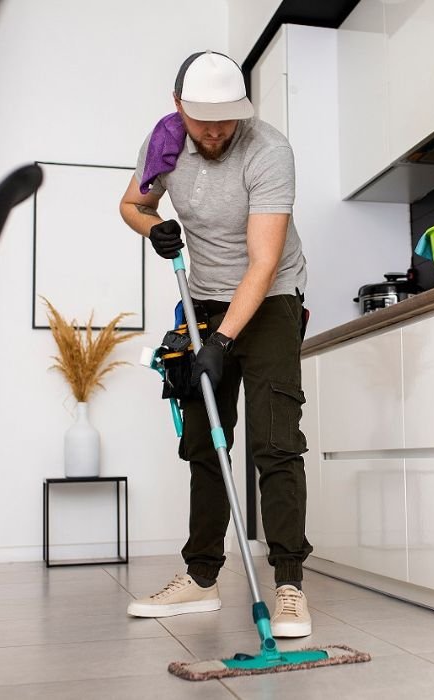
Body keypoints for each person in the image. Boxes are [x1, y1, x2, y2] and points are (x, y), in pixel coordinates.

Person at [119, 50, 313, 637]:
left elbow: (264, 259)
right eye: (202, 119)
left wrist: (223, 342)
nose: (215, 131)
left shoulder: (268, 150)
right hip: (202, 303)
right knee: (204, 443)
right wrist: (156, 226)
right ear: (179, 107)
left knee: (276, 442)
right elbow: (131, 204)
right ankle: (201, 580)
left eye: (225, 119)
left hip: (272, 299)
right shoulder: (165, 144)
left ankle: (288, 587)